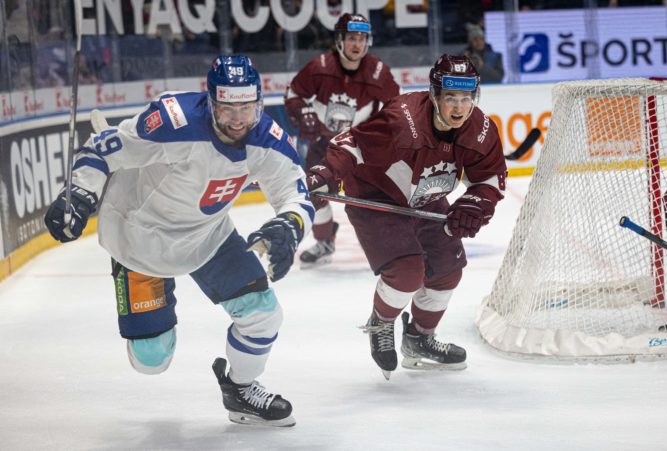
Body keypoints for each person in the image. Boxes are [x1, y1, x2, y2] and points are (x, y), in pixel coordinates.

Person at [43, 55, 314, 427]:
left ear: (259, 102)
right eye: (227, 108)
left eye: (247, 108)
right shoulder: (174, 122)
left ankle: (240, 388)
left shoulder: (266, 138)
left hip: (208, 236)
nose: (238, 119)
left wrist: (290, 224)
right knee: (151, 359)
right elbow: (103, 147)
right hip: (140, 240)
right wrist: (80, 191)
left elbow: (295, 194)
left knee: (264, 315)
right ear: (211, 102)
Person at [305, 54, 507, 379]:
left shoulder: (480, 129)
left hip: (427, 199)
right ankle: (381, 322)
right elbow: (352, 143)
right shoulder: (403, 120)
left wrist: (475, 204)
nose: (459, 108)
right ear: (434, 95)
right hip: (376, 195)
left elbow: (488, 180)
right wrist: (326, 171)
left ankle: (420, 340)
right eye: (451, 98)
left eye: (466, 98)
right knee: (407, 272)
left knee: (448, 270)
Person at [284, 12, 400, 267]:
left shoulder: (378, 72)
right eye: (351, 38)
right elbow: (294, 93)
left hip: (361, 148)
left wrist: (383, 134)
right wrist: (303, 112)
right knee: (315, 193)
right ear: (339, 40)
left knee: (379, 197)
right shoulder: (320, 68)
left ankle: (394, 245)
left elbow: (397, 108)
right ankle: (325, 241)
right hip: (325, 146)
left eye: (362, 38)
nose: (357, 44)